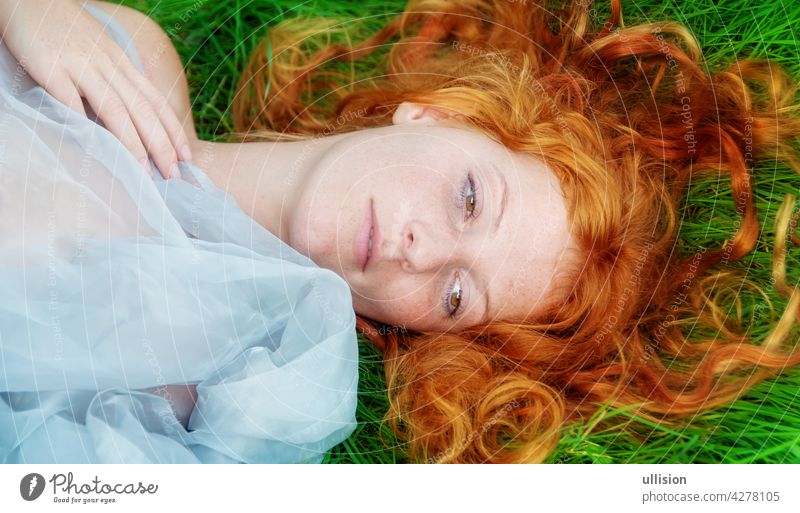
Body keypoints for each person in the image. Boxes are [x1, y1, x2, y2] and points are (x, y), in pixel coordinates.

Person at [1, 0, 799, 464]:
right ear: (439, 111)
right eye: (469, 199)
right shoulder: (133, 55)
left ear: (417, 330)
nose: (425, 249)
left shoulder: (223, 386)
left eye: (455, 294)